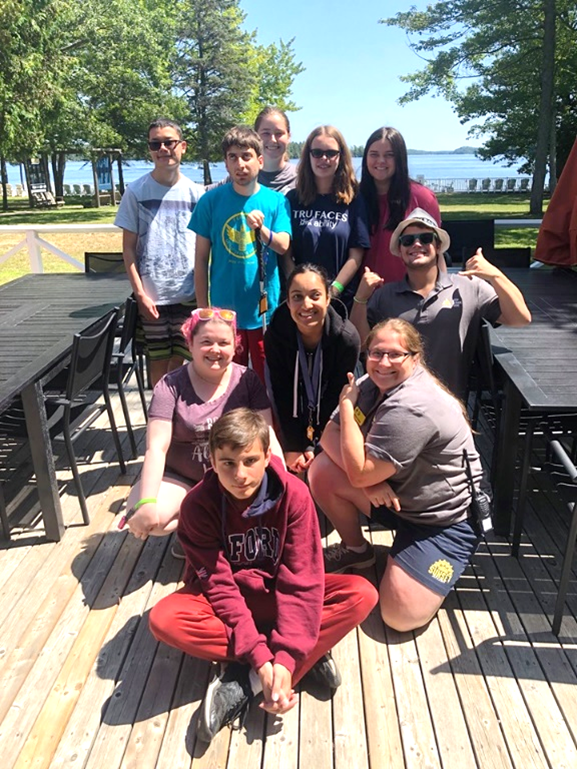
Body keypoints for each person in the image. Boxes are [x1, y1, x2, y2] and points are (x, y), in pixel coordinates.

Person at [149, 408, 378, 743]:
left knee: (362, 594)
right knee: (164, 619)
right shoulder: (198, 505)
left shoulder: (294, 496)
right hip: (226, 604)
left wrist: (282, 662)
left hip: (278, 594)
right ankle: (306, 652)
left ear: (267, 457)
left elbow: (302, 578)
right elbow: (219, 585)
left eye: (250, 461)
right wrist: (261, 655)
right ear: (212, 460)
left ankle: (246, 683)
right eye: (228, 462)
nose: (240, 475)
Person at [308, 319, 485, 632]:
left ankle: (423, 564)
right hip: (399, 498)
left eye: (395, 355)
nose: (383, 363)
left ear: (415, 359)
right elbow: (327, 437)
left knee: (399, 616)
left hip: (442, 521)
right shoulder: (369, 384)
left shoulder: (413, 405)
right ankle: (358, 551)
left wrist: (347, 411)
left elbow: (358, 469)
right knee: (321, 469)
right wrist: (371, 479)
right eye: (376, 353)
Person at [123, 308, 282, 545]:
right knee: (148, 516)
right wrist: (146, 503)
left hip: (236, 476)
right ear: (190, 343)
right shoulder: (171, 385)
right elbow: (156, 447)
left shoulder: (247, 380)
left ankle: (224, 530)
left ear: (235, 346)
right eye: (206, 342)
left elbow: (267, 433)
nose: (215, 350)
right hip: (183, 479)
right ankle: (196, 534)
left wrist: (284, 484)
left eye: (223, 342)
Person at [350, 208, 531, 400]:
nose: (417, 244)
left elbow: (520, 318)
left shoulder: (469, 287)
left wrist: (495, 275)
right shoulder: (384, 296)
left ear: (437, 246)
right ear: (400, 251)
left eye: (426, 238)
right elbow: (361, 344)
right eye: (408, 241)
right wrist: (360, 298)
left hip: (449, 405)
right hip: (394, 402)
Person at [189, 126, 292, 381]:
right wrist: (203, 310)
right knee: (224, 380)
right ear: (225, 163)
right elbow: (201, 260)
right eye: (233, 157)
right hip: (224, 314)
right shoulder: (210, 201)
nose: (240, 164)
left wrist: (262, 230)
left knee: (265, 381)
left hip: (263, 314)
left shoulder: (276, 201)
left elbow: (283, 245)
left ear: (259, 160)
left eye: (246, 156)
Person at [115, 118, 204, 386]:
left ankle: (174, 420)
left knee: (179, 360)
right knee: (157, 361)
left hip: (187, 294)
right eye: (156, 143)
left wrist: (203, 296)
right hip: (152, 296)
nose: (163, 148)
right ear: (150, 149)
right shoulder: (136, 191)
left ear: (183, 147)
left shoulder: (196, 193)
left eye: (169, 142)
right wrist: (140, 294)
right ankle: (160, 419)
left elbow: (203, 250)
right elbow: (128, 249)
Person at [264, 263, 360, 473]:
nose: (306, 305)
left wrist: (315, 445)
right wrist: (293, 445)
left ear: (328, 299)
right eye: (297, 297)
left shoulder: (347, 339)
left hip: (332, 416)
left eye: (315, 295)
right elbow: (281, 391)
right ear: (288, 302)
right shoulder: (276, 336)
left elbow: (335, 395)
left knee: (323, 468)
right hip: (290, 414)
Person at [286, 126, 370, 307]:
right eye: (317, 152)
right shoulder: (293, 199)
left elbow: (356, 254)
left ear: (340, 157)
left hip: (340, 301)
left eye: (331, 153)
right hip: (301, 302)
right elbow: (285, 253)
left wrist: (333, 290)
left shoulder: (354, 199)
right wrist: (298, 290)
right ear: (308, 156)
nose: (324, 159)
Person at [359, 127, 441, 281]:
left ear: (400, 159)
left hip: (410, 296)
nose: (381, 161)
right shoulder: (354, 198)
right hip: (361, 297)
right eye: (374, 154)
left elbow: (436, 251)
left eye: (389, 155)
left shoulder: (422, 198)